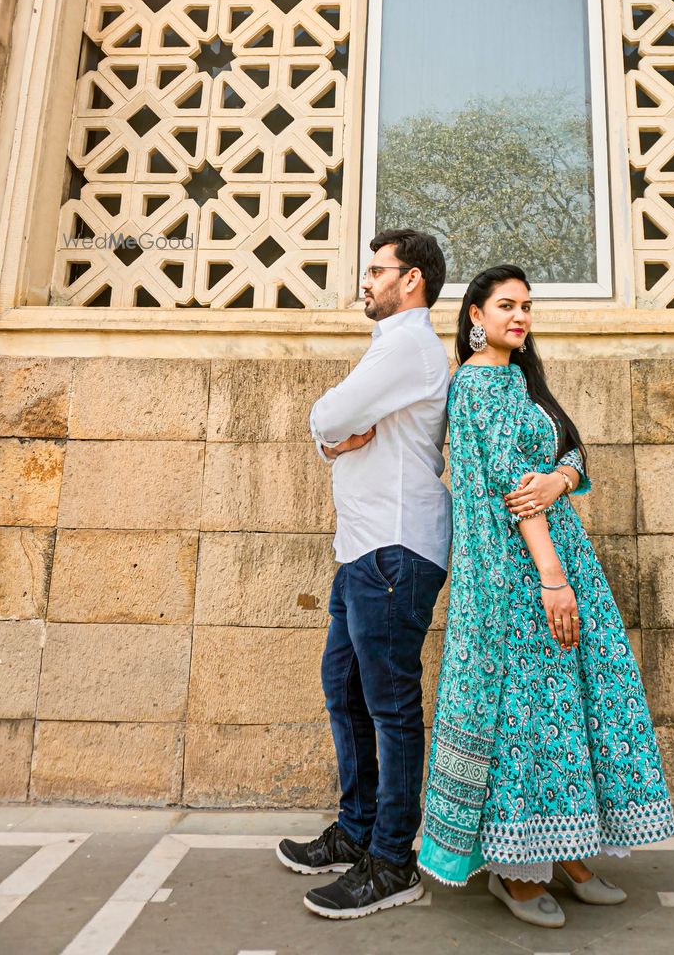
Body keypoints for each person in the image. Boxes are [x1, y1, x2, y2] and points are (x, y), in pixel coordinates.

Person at [418, 264, 674, 929]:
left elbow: (570, 453)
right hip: (512, 575)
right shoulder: (475, 385)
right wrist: (552, 580)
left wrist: (563, 479)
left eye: (526, 306)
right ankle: (514, 868)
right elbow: (512, 491)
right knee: (523, 715)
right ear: (474, 314)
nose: (519, 316)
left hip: (559, 557)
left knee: (565, 703)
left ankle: (565, 852)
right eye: (506, 305)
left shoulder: (525, 381)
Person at [276, 229, 451, 920]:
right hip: (364, 548)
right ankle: (355, 832)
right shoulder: (391, 346)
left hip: (396, 548)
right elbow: (334, 432)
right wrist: (331, 440)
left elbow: (329, 414)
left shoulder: (409, 343)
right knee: (344, 690)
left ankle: (391, 860)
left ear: (412, 281)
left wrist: (328, 431)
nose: (367, 280)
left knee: (390, 709)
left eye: (378, 270)